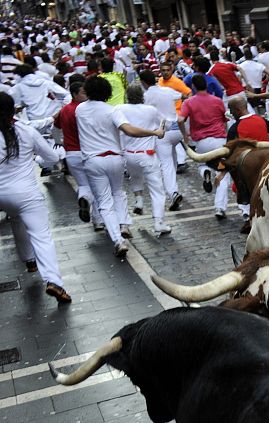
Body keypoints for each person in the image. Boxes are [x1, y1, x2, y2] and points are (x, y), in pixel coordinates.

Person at [76, 76, 165, 256]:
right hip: (114, 157)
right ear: (107, 92)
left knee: (104, 202)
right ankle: (124, 224)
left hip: (92, 160)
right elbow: (129, 130)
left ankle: (118, 240)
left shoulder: (80, 109)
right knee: (118, 192)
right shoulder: (111, 110)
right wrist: (154, 132)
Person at [0, 93, 71, 303]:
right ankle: (53, 281)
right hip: (26, 194)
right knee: (41, 236)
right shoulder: (26, 131)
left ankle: (29, 260)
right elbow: (51, 157)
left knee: (16, 219)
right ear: (13, 111)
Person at [118, 84, 171, 235]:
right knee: (157, 189)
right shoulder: (151, 110)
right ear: (142, 96)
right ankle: (159, 222)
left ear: (127, 96)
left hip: (128, 154)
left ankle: (139, 199)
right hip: (147, 154)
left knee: (135, 177)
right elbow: (164, 125)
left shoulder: (120, 109)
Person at [53, 81, 103, 230]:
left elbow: (55, 129)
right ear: (74, 94)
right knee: (97, 186)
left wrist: (59, 142)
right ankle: (98, 220)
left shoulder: (64, 110)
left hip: (71, 155)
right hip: (89, 152)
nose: (87, 95)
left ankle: (84, 199)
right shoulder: (86, 110)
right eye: (83, 93)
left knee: (83, 184)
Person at [179, 74, 230, 219]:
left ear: (193, 86)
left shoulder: (188, 102)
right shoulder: (217, 100)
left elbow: (180, 119)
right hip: (219, 141)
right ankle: (220, 207)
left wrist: (185, 135)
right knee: (223, 172)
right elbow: (225, 119)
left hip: (202, 143)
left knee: (202, 164)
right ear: (206, 85)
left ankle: (206, 172)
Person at [140, 69, 184, 211]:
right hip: (177, 130)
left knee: (166, 164)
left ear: (143, 82)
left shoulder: (145, 96)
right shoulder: (166, 90)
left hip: (162, 132)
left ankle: (173, 192)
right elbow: (182, 96)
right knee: (173, 160)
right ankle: (173, 187)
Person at [227, 96, 268, 233]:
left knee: (241, 189)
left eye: (231, 110)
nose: (230, 113)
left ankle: (248, 218)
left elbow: (230, 152)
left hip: (247, 167)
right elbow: (268, 130)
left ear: (238, 110)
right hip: (267, 162)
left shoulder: (234, 129)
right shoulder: (261, 120)